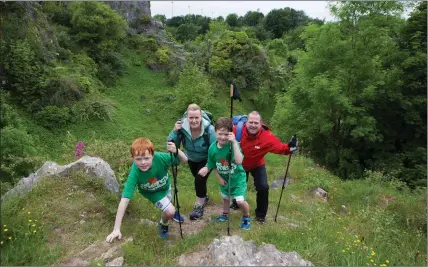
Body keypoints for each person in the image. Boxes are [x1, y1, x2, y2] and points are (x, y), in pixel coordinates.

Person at [105, 137, 188, 241]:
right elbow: (125, 199)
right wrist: (116, 229)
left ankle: (169, 211)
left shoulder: (160, 158)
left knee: (169, 204)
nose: (143, 162)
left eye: (146, 158)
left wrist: (177, 151)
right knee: (170, 211)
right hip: (153, 193)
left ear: (152, 155)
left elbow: (184, 160)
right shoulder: (135, 173)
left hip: (166, 187)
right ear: (133, 158)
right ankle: (163, 223)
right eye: (138, 159)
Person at [233, 111, 297, 224]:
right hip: (239, 164)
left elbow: (281, 148)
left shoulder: (267, 136)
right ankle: (236, 203)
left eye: (256, 123)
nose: (253, 125)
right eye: (250, 122)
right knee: (238, 186)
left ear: (261, 124)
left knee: (263, 187)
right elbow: (222, 138)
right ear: (246, 123)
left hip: (257, 164)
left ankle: (260, 216)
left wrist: (290, 147)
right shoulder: (236, 131)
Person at [198, 117, 250, 230]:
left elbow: (239, 161)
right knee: (225, 198)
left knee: (240, 201)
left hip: (237, 179)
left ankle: (246, 216)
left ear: (231, 134)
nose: (223, 137)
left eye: (226, 134)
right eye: (220, 133)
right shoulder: (212, 148)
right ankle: (225, 214)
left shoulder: (233, 146)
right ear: (215, 132)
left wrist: (235, 143)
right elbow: (212, 164)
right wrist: (207, 169)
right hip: (224, 179)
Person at [167, 103, 216, 221]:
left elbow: (215, 149)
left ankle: (198, 207)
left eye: (196, 117)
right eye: (191, 118)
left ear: (201, 116)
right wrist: (174, 131)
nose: (194, 120)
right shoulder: (181, 128)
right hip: (191, 159)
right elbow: (170, 143)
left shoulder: (210, 130)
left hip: (206, 158)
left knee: (199, 178)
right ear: (187, 118)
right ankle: (204, 197)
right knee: (199, 179)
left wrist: (209, 166)